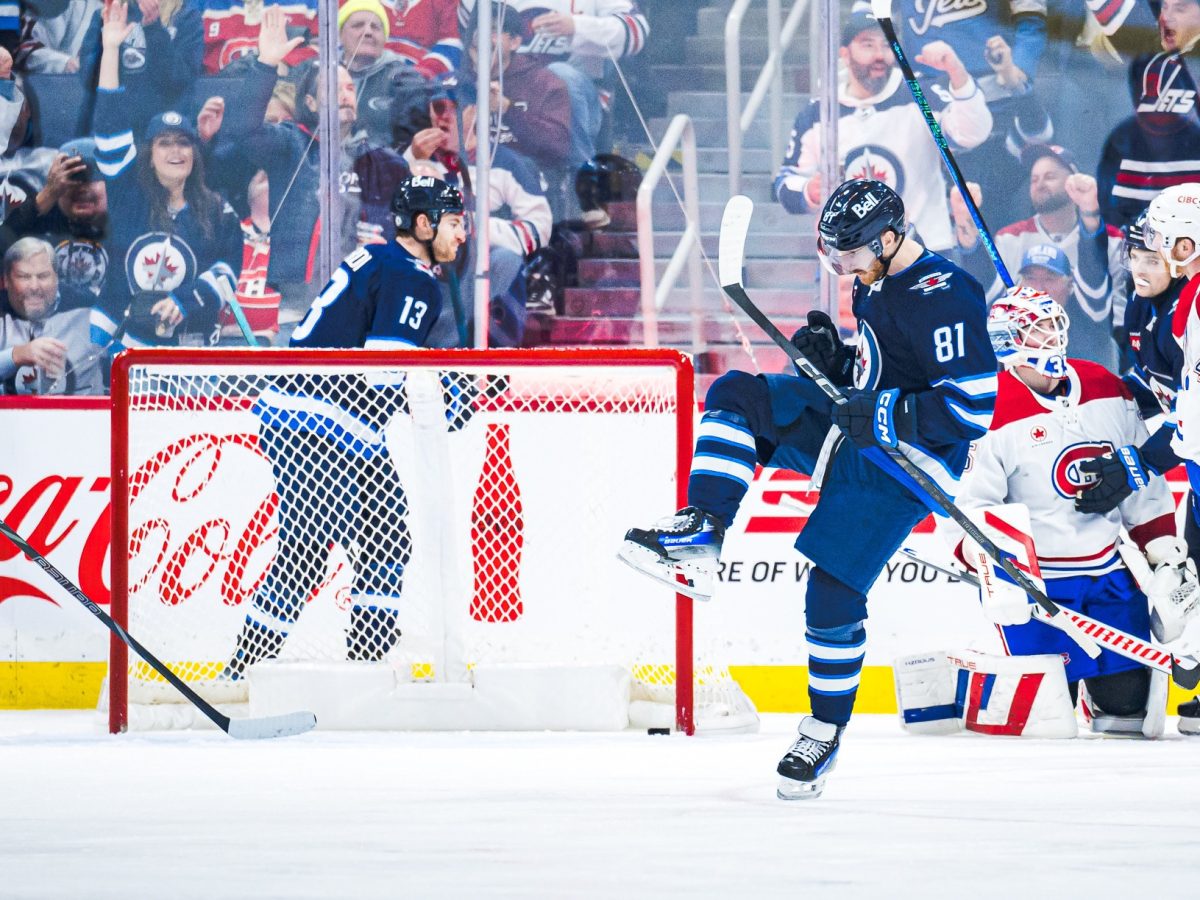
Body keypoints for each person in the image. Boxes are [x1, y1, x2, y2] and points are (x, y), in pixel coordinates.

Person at [619, 180, 998, 799]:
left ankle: (823, 731)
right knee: (738, 394)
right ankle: (701, 534)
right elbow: (890, 367)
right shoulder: (873, 277)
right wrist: (838, 361)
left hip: (911, 461)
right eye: (833, 254)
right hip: (862, 428)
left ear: (889, 238)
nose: (841, 266)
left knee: (831, 590)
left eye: (849, 253)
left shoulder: (945, 293)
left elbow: (970, 408)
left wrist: (881, 412)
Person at [222, 175, 466, 676]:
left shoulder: (379, 258)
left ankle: (366, 668)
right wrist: (447, 399)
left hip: (339, 423)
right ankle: (241, 672)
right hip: (317, 423)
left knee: (387, 538)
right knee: (306, 552)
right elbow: (381, 375)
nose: (463, 234)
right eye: (455, 222)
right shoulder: (414, 280)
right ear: (424, 224)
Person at [952, 287, 1189, 736]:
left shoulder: (1103, 385)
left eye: (1052, 324)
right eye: (1036, 328)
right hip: (1038, 587)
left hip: (1108, 578)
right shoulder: (989, 408)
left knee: (1129, 709)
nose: (1052, 335)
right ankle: (978, 676)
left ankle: (1096, 693)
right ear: (1007, 341)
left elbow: (1139, 479)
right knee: (1046, 717)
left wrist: (1161, 553)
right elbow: (970, 508)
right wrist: (997, 573)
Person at [89, 0, 241, 352]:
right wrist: (110, 50)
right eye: (165, 144)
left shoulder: (217, 210)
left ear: (195, 153)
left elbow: (228, 269)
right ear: (150, 155)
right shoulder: (128, 194)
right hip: (122, 346)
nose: (176, 152)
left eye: (184, 143)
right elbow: (109, 120)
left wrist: (187, 299)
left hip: (189, 354)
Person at [774, 9, 992, 254]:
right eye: (868, 45)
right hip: (853, 258)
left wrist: (957, 72)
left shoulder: (920, 93)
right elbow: (785, 182)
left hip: (925, 251)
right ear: (844, 53)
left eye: (886, 45)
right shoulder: (819, 112)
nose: (879, 55)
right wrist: (809, 191)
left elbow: (971, 134)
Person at [952, 145, 1124, 328]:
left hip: (1095, 340)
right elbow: (990, 298)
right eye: (1034, 179)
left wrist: (1090, 214)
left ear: (1074, 182)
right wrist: (966, 225)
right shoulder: (1010, 238)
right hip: (1026, 338)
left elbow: (1110, 312)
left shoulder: (1113, 239)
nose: (1040, 184)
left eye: (1050, 177)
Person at [0, 137, 109, 297]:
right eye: (72, 178)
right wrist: (46, 196)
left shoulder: (129, 224)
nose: (81, 189)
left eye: (91, 178)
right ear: (55, 182)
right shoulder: (37, 223)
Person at [0, 236, 102, 395]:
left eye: (43, 276)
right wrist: (15, 355)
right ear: (6, 281)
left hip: (83, 410)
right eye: (24, 277)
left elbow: (131, 359)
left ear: (56, 278)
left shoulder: (91, 312)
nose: (34, 286)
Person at [1016, 243, 1120, 371]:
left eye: (1049, 279)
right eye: (1030, 278)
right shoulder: (1009, 324)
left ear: (1070, 283)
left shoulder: (1090, 323)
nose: (1039, 289)